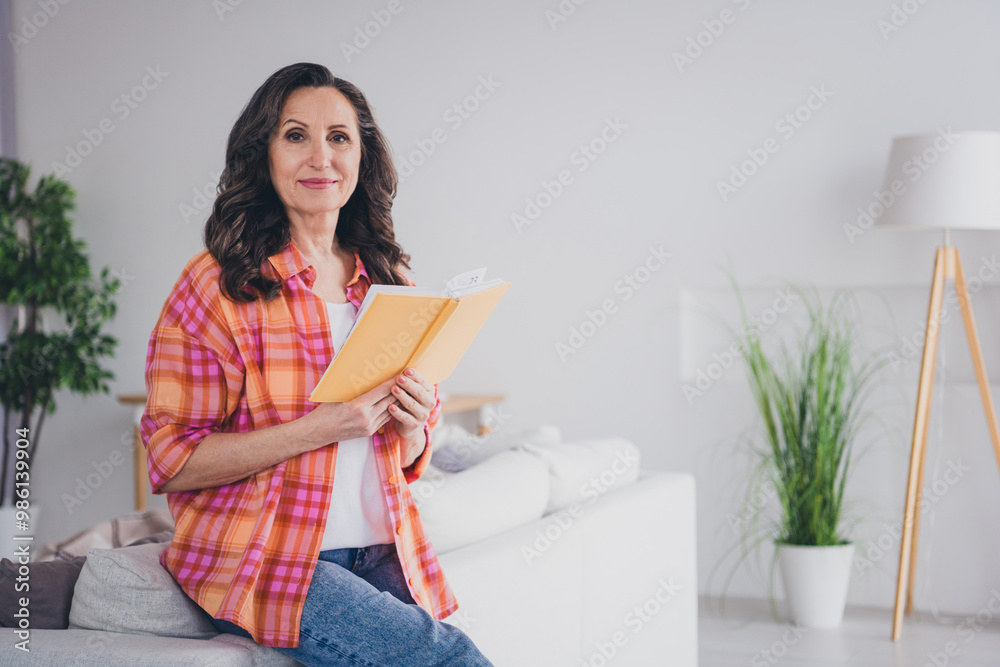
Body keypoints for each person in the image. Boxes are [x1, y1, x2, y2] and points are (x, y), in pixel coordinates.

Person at [140, 62, 493, 666]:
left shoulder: (390, 281)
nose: (319, 157)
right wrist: (318, 428)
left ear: (361, 157)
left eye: (339, 138)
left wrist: (412, 426)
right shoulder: (217, 285)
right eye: (295, 135)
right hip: (274, 560)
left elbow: (403, 459)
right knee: (449, 658)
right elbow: (171, 459)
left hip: (387, 552)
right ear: (263, 153)